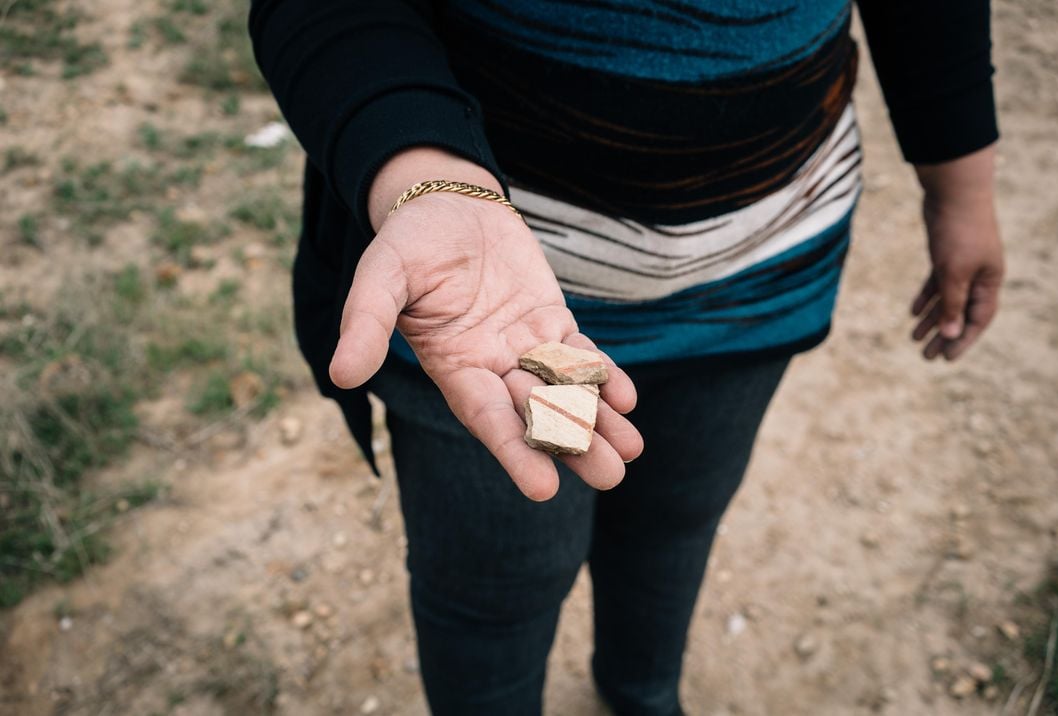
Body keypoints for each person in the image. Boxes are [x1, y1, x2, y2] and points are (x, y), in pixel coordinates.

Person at [249, 1, 1004, 713]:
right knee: (493, 589)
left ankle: (640, 695)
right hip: (480, 307)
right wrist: (423, 179)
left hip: (761, 273)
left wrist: (960, 185)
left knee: (676, 525)